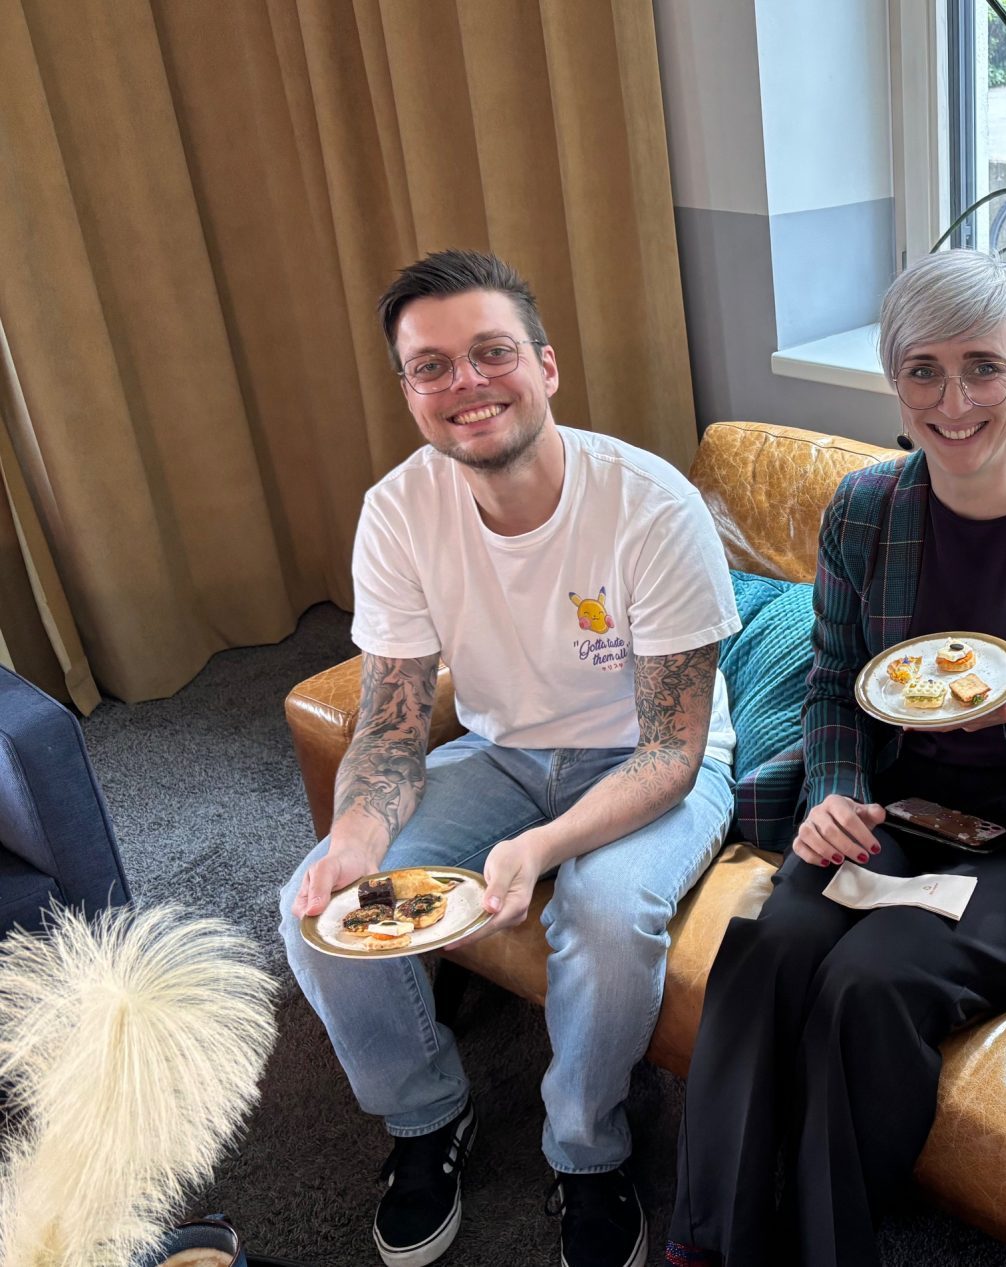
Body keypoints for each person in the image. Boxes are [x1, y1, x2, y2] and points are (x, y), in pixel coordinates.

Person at [662, 250, 1006, 1267]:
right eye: (923, 369)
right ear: (895, 382)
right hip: (896, 815)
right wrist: (837, 790)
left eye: (982, 365)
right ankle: (707, 1244)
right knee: (764, 949)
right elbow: (835, 681)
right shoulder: (865, 510)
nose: (954, 397)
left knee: (871, 982)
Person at [279, 249, 740, 1267]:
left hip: (653, 761)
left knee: (606, 918)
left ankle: (586, 1150)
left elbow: (673, 746)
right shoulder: (398, 513)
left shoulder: (650, 507)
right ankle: (425, 1113)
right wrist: (358, 831)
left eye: (491, 353)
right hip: (499, 754)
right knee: (312, 911)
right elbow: (393, 722)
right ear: (408, 391)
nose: (466, 384)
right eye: (431, 366)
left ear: (546, 366)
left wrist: (542, 847)